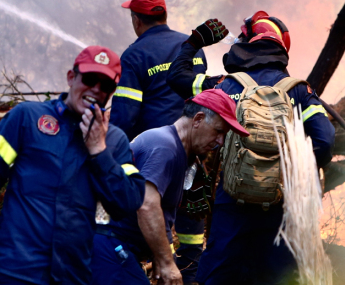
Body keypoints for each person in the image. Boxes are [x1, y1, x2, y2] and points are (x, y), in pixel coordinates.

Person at [167, 11, 336, 285]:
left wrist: (193, 43)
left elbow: (177, 78)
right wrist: (285, 175)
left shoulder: (225, 86)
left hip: (232, 207)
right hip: (283, 211)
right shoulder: (300, 92)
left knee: (218, 277)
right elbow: (325, 143)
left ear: (247, 45)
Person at [0, 46, 146, 285]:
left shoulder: (114, 140)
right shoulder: (26, 118)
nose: (96, 89)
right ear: (71, 77)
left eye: (106, 85)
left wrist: (99, 152)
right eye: (89, 79)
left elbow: (127, 203)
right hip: (14, 271)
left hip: (72, 276)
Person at [90, 89, 250, 285]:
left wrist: (162, 256)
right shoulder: (165, 147)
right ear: (198, 119)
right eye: (218, 131)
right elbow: (147, 205)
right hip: (109, 244)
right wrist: (166, 262)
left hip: (117, 246)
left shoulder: (176, 149)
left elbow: (162, 214)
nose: (220, 142)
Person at [112, 0, 209, 280]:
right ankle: (190, 268)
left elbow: (124, 115)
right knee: (190, 210)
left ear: (136, 20)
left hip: (153, 157)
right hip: (193, 147)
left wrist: (113, 151)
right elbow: (205, 98)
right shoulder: (192, 48)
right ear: (164, 15)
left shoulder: (134, 55)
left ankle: (157, 266)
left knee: (150, 209)